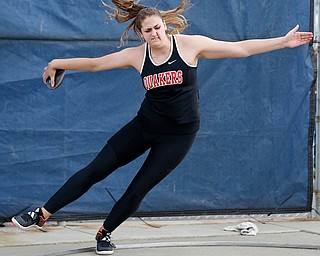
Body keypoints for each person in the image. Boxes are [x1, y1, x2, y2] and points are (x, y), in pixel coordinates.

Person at [12, 0, 313, 255]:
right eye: (148, 30)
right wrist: (56, 61)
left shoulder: (190, 46)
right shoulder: (137, 56)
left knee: (138, 188)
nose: (154, 33)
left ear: (165, 26)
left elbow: (240, 49)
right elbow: (95, 64)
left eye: (158, 27)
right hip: (144, 126)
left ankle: (104, 233)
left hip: (178, 137)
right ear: (140, 34)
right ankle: (41, 214)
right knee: (96, 169)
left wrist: (282, 42)